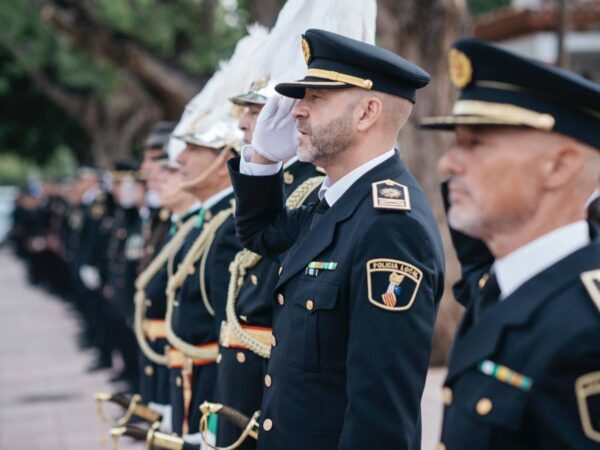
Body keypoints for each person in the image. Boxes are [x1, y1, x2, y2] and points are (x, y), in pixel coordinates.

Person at [228, 28, 445, 449]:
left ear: (366, 112)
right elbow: (260, 235)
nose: (296, 112)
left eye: (316, 98)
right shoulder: (338, 200)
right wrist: (263, 160)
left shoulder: (390, 226)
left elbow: (379, 415)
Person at [421, 39, 600, 449]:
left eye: (476, 143)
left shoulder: (587, 331)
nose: (448, 163)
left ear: (559, 165)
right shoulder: (500, 287)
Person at [213, 78, 323, 449]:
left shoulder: (317, 187)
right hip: (241, 364)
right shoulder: (265, 184)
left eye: (257, 112)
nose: (245, 124)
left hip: (276, 369)